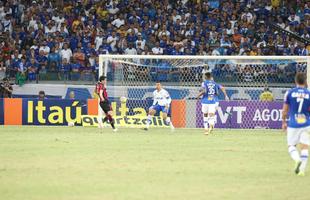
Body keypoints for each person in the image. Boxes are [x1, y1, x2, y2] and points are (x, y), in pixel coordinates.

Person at [282, 73, 310, 176]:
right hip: (306, 123)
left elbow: (284, 111)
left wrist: (284, 122)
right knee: (304, 147)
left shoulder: (289, 93)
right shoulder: (309, 93)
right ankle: (302, 171)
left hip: (293, 123)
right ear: (305, 81)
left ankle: (297, 160)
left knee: (291, 146)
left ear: (295, 81)